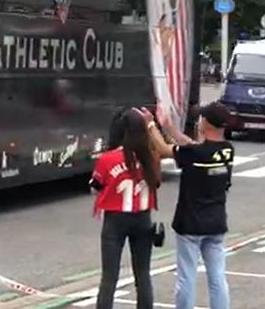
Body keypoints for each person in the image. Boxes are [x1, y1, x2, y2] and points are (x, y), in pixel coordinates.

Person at [147, 103, 234, 309]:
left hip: (191, 223)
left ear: (206, 124)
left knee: (186, 276)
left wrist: (150, 125)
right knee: (217, 277)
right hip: (216, 222)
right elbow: (191, 147)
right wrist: (169, 128)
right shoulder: (226, 150)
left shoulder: (195, 153)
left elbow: (163, 149)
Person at [91, 107, 161, 309]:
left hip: (115, 220)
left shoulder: (108, 159)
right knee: (143, 275)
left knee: (109, 278)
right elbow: (156, 183)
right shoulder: (150, 157)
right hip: (142, 218)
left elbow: (96, 187)